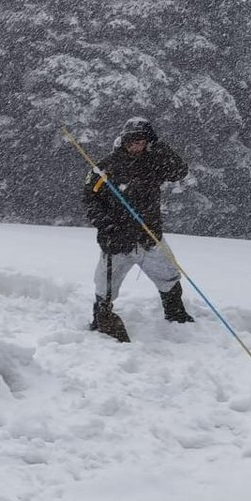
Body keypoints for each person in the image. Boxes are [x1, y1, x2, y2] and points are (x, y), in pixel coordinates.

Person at [83, 116, 192, 341]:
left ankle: (176, 316)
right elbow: (90, 198)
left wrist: (161, 147)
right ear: (124, 140)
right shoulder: (106, 167)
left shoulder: (154, 162)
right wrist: (105, 223)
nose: (137, 146)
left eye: (142, 141)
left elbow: (179, 171)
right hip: (117, 238)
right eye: (133, 141)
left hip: (149, 235)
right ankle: (101, 317)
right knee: (105, 283)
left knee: (169, 275)